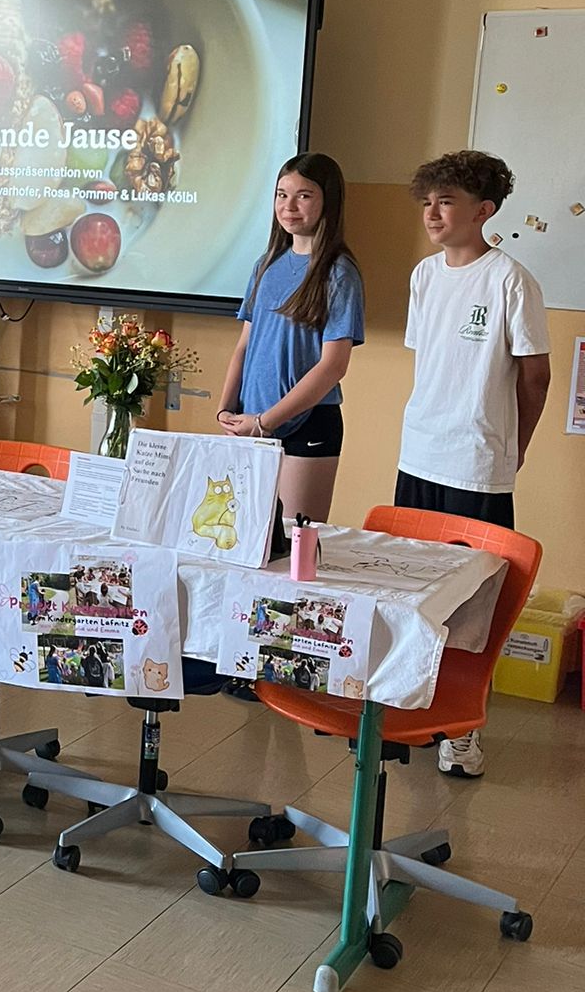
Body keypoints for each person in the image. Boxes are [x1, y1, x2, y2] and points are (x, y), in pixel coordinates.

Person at [396, 149, 551, 779]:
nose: (433, 213)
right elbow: (431, 362)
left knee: (471, 608)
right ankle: (411, 707)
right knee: (412, 592)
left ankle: (461, 731)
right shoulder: (424, 275)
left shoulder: (511, 279)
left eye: (448, 202)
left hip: (477, 463)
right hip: (418, 454)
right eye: (428, 202)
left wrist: (516, 448)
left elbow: (536, 377)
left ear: (484, 210)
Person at [218, 152, 365, 523]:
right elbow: (244, 347)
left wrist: (267, 421)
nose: (289, 206)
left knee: (296, 542)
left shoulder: (338, 273)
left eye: (304, 196)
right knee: (246, 535)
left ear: (328, 201)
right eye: (282, 195)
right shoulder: (266, 264)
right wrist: (226, 410)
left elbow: (333, 366)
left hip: (307, 425)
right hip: (251, 422)